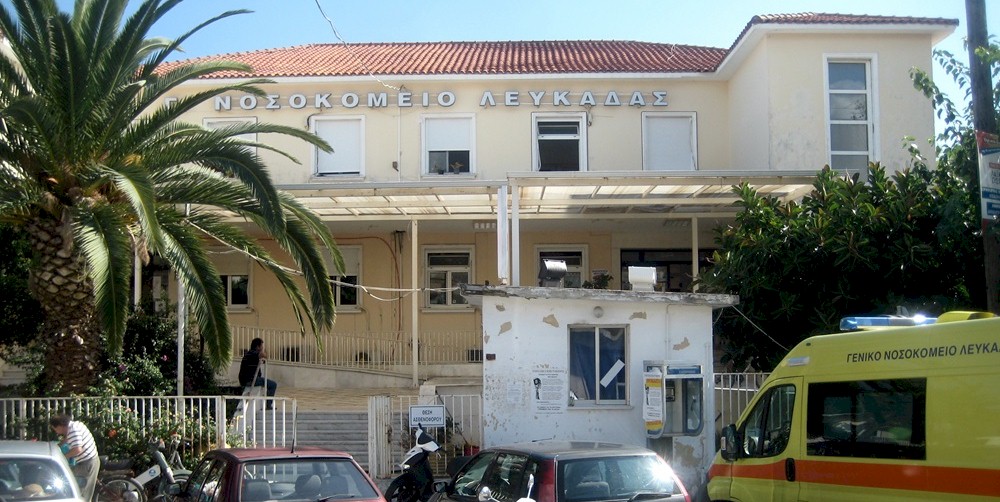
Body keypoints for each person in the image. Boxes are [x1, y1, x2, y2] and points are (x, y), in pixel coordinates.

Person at [49, 414, 99, 502]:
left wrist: (62, 457)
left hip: (87, 463)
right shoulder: (75, 425)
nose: (56, 432)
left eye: (55, 429)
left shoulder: (73, 430)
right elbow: (67, 439)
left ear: (60, 426)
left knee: (82, 493)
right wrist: (58, 446)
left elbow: (77, 449)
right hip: (87, 461)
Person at [239, 338, 277, 408]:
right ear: (257, 347)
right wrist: (263, 353)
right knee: (273, 385)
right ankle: (268, 405)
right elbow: (263, 355)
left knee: (265, 382)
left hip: (247, 379)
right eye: (261, 346)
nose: (262, 348)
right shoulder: (252, 353)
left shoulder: (249, 354)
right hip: (250, 380)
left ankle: (267, 404)